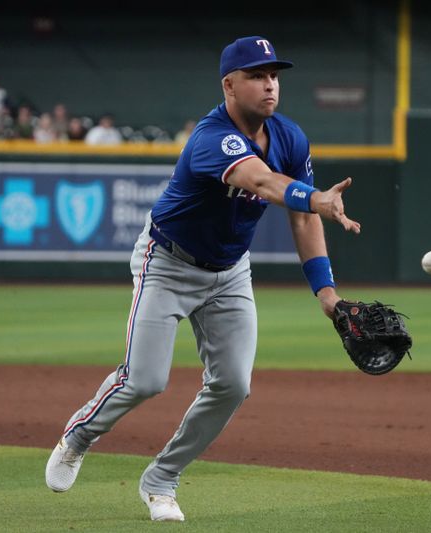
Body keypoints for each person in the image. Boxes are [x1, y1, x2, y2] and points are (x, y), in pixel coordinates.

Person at [44, 35, 361, 522]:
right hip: (168, 263)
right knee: (145, 379)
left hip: (230, 272)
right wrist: (315, 197)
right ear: (229, 85)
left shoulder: (291, 137)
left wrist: (326, 292)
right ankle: (79, 435)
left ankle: (162, 478)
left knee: (233, 384)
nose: (270, 85)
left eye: (274, 75)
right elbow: (261, 182)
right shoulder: (212, 138)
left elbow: (302, 219)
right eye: (257, 76)